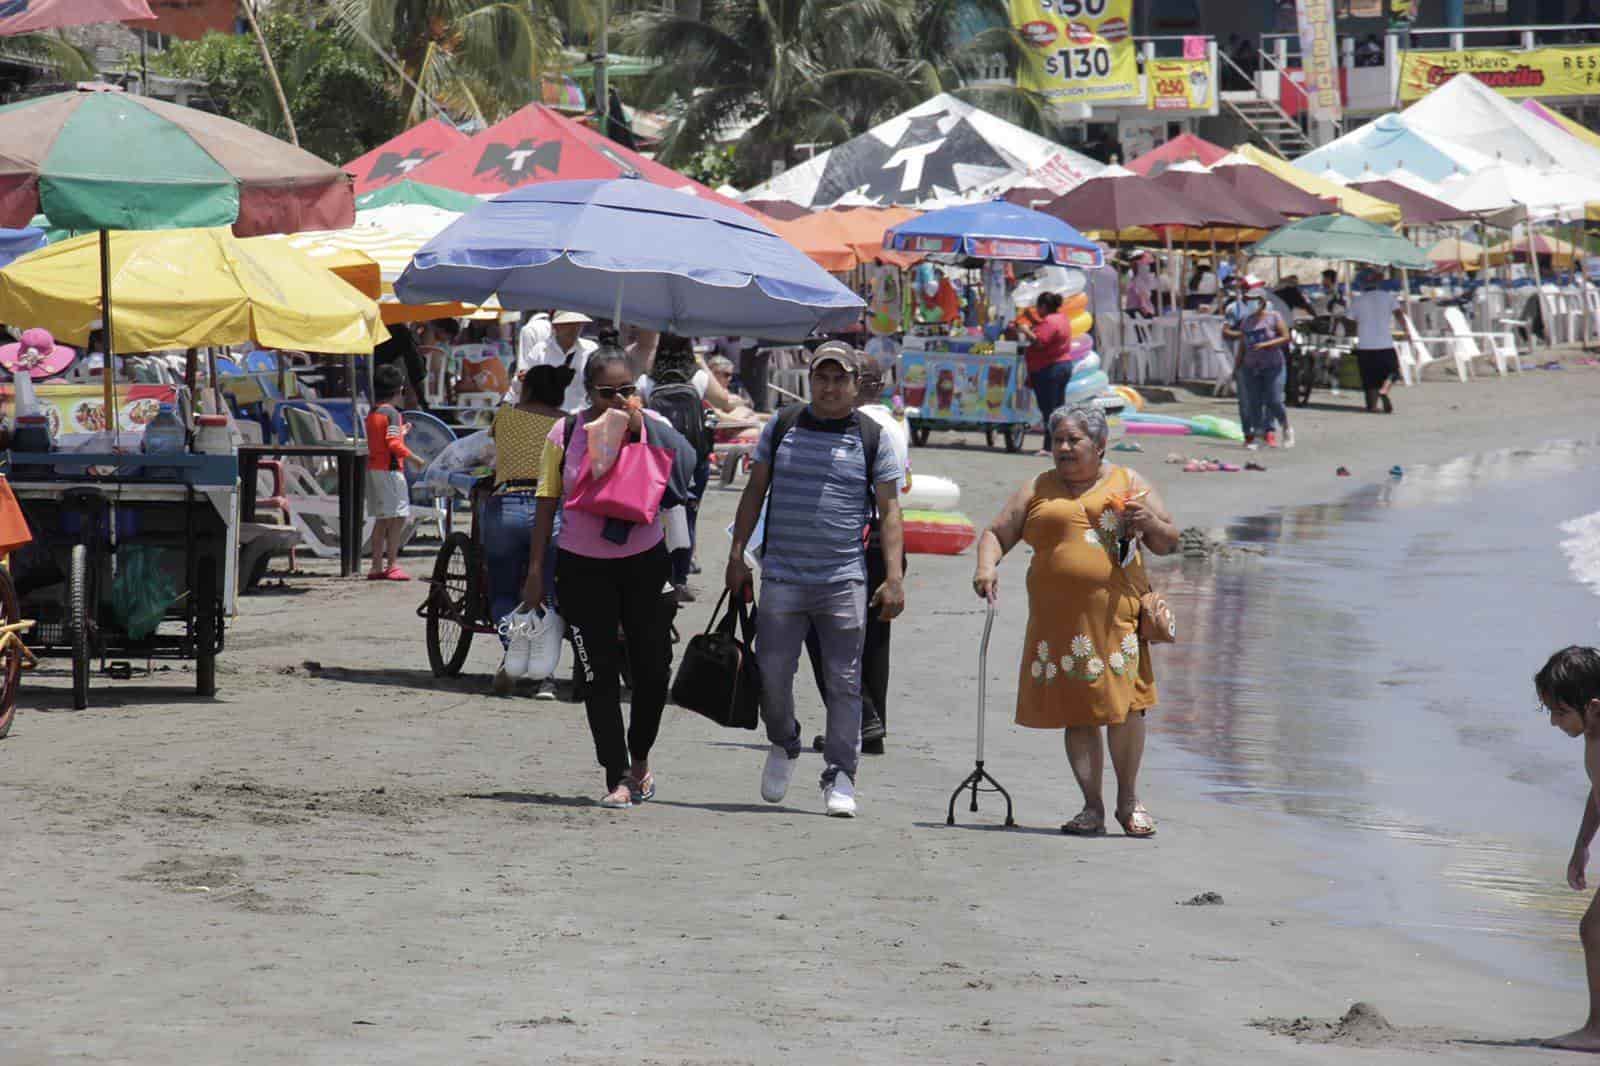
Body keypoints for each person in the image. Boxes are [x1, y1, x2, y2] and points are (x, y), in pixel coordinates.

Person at [973, 404, 1178, 837]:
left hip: (1116, 617)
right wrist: (986, 568)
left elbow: (1168, 542)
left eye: (1073, 440)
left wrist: (1148, 521)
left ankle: (1128, 801)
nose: (1063, 448)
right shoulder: (1039, 487)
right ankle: (1091, 807)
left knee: (1125, 708)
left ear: (1100, 446)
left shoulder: (1130, 483)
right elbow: (997, 533)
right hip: (1059, 621)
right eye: (1058, 440)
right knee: (1078, 711)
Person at [726, 342, 905, 818]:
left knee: (844, 682)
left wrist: (894, 576)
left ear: (854, 385)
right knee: (772, 678)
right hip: (782, 576)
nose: (829, 388)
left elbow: (890, 511)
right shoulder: (782, 426)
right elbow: (754, 492)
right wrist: (736, 552)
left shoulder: (872, 436)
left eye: (839, 379)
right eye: (822, 378)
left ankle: (841, 774)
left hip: (843, 579)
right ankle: (784, 742)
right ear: (811, 381)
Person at [529, 348, 679, 808]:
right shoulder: (565, 430)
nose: (618, 399)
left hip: (645, 560)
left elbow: (682, 474)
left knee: (654, 671)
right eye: (607, 392)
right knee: (597, 674)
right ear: (588, 392)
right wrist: (535, 569)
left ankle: (640, 759)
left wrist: (639, 430)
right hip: (581, 565)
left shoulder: (653, 424)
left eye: (627, 389)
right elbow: (546, 499)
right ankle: (616, 775)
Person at [804, 360, 911, 756]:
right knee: (874, 640)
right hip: (886, 537)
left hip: (855, 538)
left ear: (856, 383)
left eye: (843, 378)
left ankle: (859, 717)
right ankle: (870, 723)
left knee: (828, 632)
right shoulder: (896, 424)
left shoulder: (859, 425)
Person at [486, 363, 571, 698]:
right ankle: (544, 676)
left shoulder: (505, 416)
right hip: (550, 511)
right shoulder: (566, 423)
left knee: (503, 592)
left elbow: (490, 449)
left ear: (529, 388)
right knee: (548, 593)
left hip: (506, 505)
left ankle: (513, 651)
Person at [1538, 646, 1600, 1053]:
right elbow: (1599, 792)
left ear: (1592, 706)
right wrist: (1581, 844)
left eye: (1560, 712)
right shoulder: (1593, 734)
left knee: (1594, 930)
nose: (1554, 722)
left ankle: (1597, 1031)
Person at [365, 365, 423, 580]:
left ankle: (376, 566)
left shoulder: (374, 411)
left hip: (374, 470)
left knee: (381, 520)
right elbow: (392, 443)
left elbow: (384, 438)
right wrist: (415, 458)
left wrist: (401, 432)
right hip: (390, 471)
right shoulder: (392, 413)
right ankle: (392, 564)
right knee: (398, 519)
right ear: (398, 390)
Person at [1233, 279, 1293, 450]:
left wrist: (1266, 345)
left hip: (1273, 364)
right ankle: (1258, 435)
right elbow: (1243, 345)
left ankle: (1286, 426)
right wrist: (1237, 367)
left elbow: (1285, 336)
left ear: (1262, 302)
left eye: (1254, 300)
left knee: (1274, 400)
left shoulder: (1274, 317)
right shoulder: (1246, 321)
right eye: (1248, 300)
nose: (1251, 303)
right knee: (1254, 402)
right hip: (1251, 366)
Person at [1015, 291, 1077, 454]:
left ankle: (1049, 447)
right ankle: (1060, 444)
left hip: (1049, 368)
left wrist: (1024, 330)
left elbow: (1040, 342)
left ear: (1043, 306)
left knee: (1049, 410)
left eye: (1038, 307)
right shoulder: (1061, 318)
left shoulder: (1049, 322)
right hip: (1063, 365)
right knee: (1058, 408)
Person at [1350, 268, 1405, 414]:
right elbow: (1400, 316)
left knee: (1369, 380)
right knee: (1393, 371)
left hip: (1365, 346)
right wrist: (1408, 332)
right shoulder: (1388, 297)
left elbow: (1349, 321)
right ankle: (1385, 389)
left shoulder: (1357, 301)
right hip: (1385, 344)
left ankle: (1373, 406)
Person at [518, 311, 598, 412]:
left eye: (579, 324)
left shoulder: (591, 349)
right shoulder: (540, 350)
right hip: (546, 415)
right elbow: (525, 383)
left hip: (580, 415)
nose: (575, 328)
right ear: (555, 326)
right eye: (569, 324)